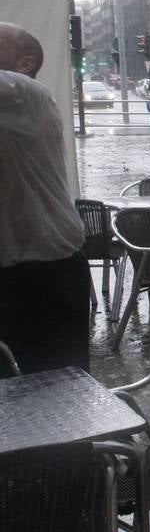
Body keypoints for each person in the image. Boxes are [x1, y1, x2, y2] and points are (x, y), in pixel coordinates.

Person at [0, 21, 90, 373]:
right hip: (12, 273)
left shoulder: (29, 95)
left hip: (48, 276)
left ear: (24, 63)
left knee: (60, 393)